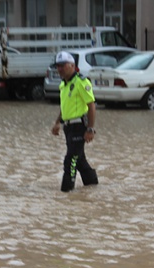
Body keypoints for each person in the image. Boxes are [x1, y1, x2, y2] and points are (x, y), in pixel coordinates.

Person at [51, 51, 98, 192]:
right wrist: (57, 122)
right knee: (79, 161)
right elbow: (65, 106)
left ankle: (67, 192)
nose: (59, 69)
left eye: (63, 65)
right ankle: (93, 186)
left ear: (72, 65)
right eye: (58, 66)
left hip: (80, 126)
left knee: (70, 160)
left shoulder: (81, 82)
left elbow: (91, 105)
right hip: (69, 127)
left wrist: (90, 129)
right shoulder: (63, 85)